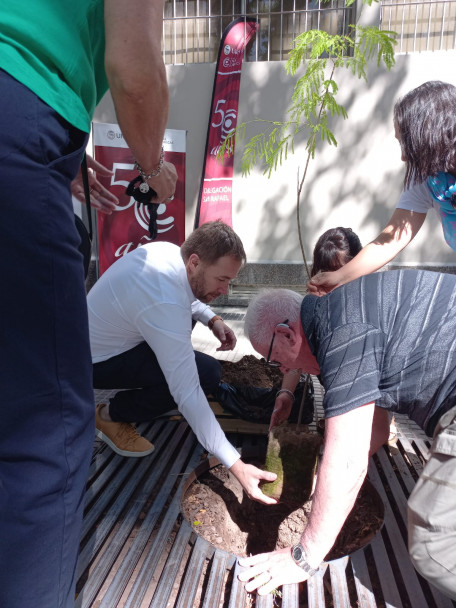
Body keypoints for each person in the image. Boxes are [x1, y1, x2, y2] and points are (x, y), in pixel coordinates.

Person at [0, 2, 177, 607]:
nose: (227, 294)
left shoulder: (173, 277)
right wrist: (153, 166)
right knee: (43, 435)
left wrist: (68, 159)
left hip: (31, 131)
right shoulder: (168, 275)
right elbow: (135, 68)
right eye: (229, 279)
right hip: (17, 117)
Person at [239, 269, 456, 600]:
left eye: (274, 360)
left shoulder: (343, 339)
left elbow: (348, 460)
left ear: (286, 334)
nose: (282, 370)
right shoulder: (345, 313)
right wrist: (320, 477)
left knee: (433, 540)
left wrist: (305, 555)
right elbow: (378, 429)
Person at [88, 221, 277, 495]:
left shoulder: (168, 253)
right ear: (194, 262)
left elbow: (187, 295)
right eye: (221, 279)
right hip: (96, 363)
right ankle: (109, 414)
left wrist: (212, 319)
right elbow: (187, 391)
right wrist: (236, 464)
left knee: (199, 363)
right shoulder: (164, 300)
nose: (225, 290)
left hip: (107, 342)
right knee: (205, 375)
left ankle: (131, 404)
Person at [308, 81, 456, 296]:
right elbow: (389, 240)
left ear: (433, 136)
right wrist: (340, 277)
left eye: (408, 143)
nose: (404, 156)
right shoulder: (426, 177)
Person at [269, 227, 362, 430]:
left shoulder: (363, 312)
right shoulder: (315, 303)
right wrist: (286, 393)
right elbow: (298, 354)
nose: (330, 281)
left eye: (338, 272)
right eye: (323, 271)